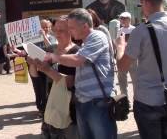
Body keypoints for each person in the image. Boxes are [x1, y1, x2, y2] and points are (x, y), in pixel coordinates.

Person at [44, 8, 117, 139]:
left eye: (71, 27)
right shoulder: (86, 42)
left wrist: (54, 57)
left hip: (97, 102)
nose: (69, 31)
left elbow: (77, 60)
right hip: (86, 102)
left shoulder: (97, 36)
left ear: (84, 26)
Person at [116, 0, 167, 139]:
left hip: (148, 101)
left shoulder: (141, 31)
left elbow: (122, 66)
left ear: (146, 2)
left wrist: (120, 47)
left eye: (141, 4)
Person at [28, 18, 79, 139]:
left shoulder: (76, 52)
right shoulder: (50, 49)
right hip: (50, 106)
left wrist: (46, 69)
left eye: (61, 30)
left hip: (67, 109)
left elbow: (69, 82)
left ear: (71, 31)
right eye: (56, 30)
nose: (57, 33)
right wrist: (32, 63)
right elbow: (36, 76)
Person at [117, 11, 136, 97]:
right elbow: (117, 43)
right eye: (121, 18)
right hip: (122, 56)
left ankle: (137, 99)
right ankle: (125, 100)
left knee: (135, 79)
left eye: (125, 18)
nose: (123, 20)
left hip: (133, 57)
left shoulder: (134, 29)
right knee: (122, 80)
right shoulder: (119, 30)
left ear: (129, 19)